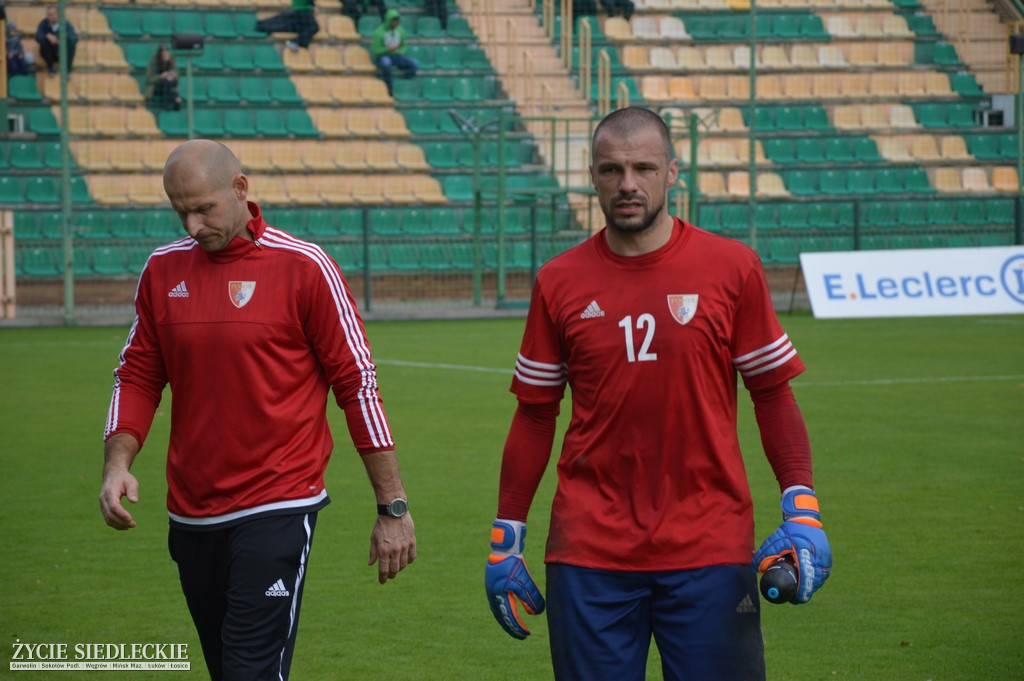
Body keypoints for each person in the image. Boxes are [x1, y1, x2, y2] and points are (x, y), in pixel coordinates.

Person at [484, 107, 832, 680]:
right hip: (588, 552)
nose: (627, 184)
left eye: (644, 167)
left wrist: (803, 508)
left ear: (672, 171)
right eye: (611, 170)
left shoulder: (732, 268)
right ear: (591, 175)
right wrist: (506, 536)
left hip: (710, 547)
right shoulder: (558, 282)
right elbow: (534, 414)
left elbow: (771, 394)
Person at [99, 139, 416, 681]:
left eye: (204, 209)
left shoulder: (306, 267)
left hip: (278, 504)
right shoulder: (162, 270)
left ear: (241, 189)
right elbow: (138, 374)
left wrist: (392, 507)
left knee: (250, 669)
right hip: (191, 511)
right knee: (227, 668)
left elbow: (357, 384)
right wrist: (117, 462)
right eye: (181, 212)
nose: (193, 225)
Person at [371, 8, 417, 97]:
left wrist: (401, 51)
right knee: (386, 63)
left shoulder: (401, 31)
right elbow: (376, 50)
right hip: (384, 56)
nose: (395, 23)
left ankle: (403, 79)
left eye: (397, 21)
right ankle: (389, 88)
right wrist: (387, 49)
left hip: (397, 56)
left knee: (415, 64)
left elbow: (404, 46)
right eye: (393, 21)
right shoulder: (379, 32)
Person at [34, 5, 77, 96]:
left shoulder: (66, 24)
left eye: (51, 15)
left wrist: (62, 38)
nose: (48, 17)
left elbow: (74, 38)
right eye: (48, 14)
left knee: (71, 43)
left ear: (58, 15)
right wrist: (47, 35)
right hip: (49, 52)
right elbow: (37, 36)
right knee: (44, 42)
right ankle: (51, 68)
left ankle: (67, 69)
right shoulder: (44, 23)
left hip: (61, 51)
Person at [144, 45, 182, 111]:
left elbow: (177, 81)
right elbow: (149, 79)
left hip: (168, 86)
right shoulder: (154, 62)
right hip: (155, 87)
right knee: (167, 83)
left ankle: (174, 102)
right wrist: (160, 76)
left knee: (168, 83)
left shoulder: (172, 61)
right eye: (164, 53)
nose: (166, 54)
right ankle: (167, 105)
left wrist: (173, 76)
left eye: (167, 53)